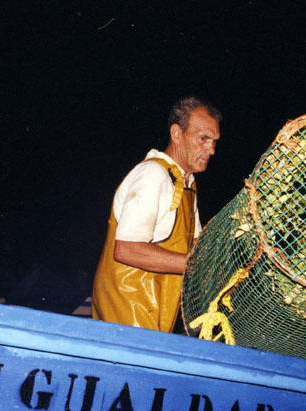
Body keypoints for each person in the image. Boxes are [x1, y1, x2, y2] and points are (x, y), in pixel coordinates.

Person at [91, 97, 221, 332]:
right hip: (127, 319)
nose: (211, 149)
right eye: (203, 138)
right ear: (177, 133)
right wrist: (196, 267)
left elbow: (197, 248)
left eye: (214, 141)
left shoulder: (187, 184)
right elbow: (127, 249)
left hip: (156, 318)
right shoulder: (153, 175)